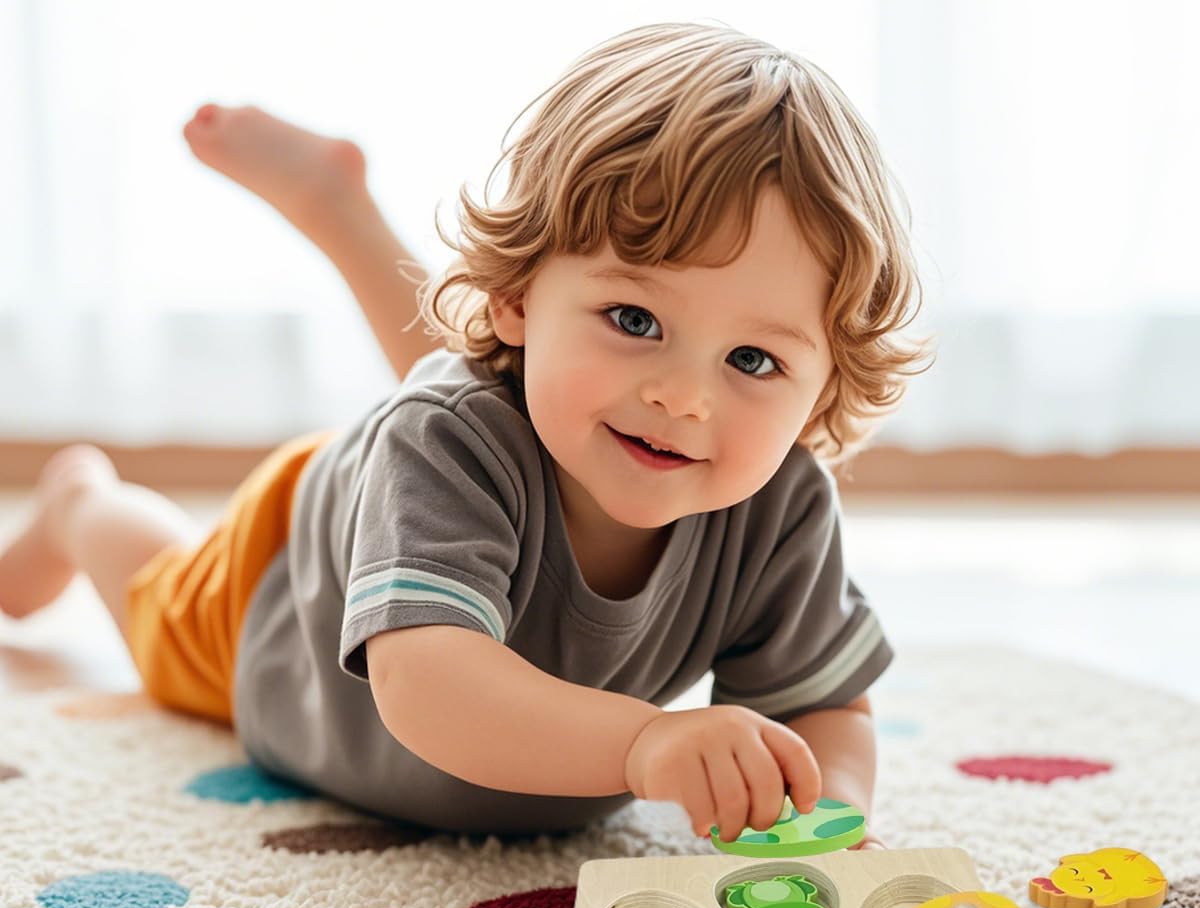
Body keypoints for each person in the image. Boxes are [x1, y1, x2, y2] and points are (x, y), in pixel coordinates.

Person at [0, 21, 933, 843]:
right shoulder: (444, 441)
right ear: (515, 292)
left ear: (823, 385)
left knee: (533, 391)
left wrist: (826, 816)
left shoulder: (780, 509)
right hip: (285, 570)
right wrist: (644, 741)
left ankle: (338, 206)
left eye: (753, 361)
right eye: (636, 319)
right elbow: (429, 685)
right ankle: (81, 504)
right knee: (163, 609)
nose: (685, 399)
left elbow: (823, 705)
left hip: (485, 439)